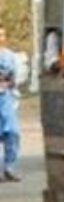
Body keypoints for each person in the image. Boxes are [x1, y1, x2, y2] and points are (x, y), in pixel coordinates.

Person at [0, 25, 21, 182]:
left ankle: (9, 167)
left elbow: (15, 78)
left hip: (6, 97)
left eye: (2, 35)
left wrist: (10, 82)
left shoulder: (10, 57)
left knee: (12, 132)